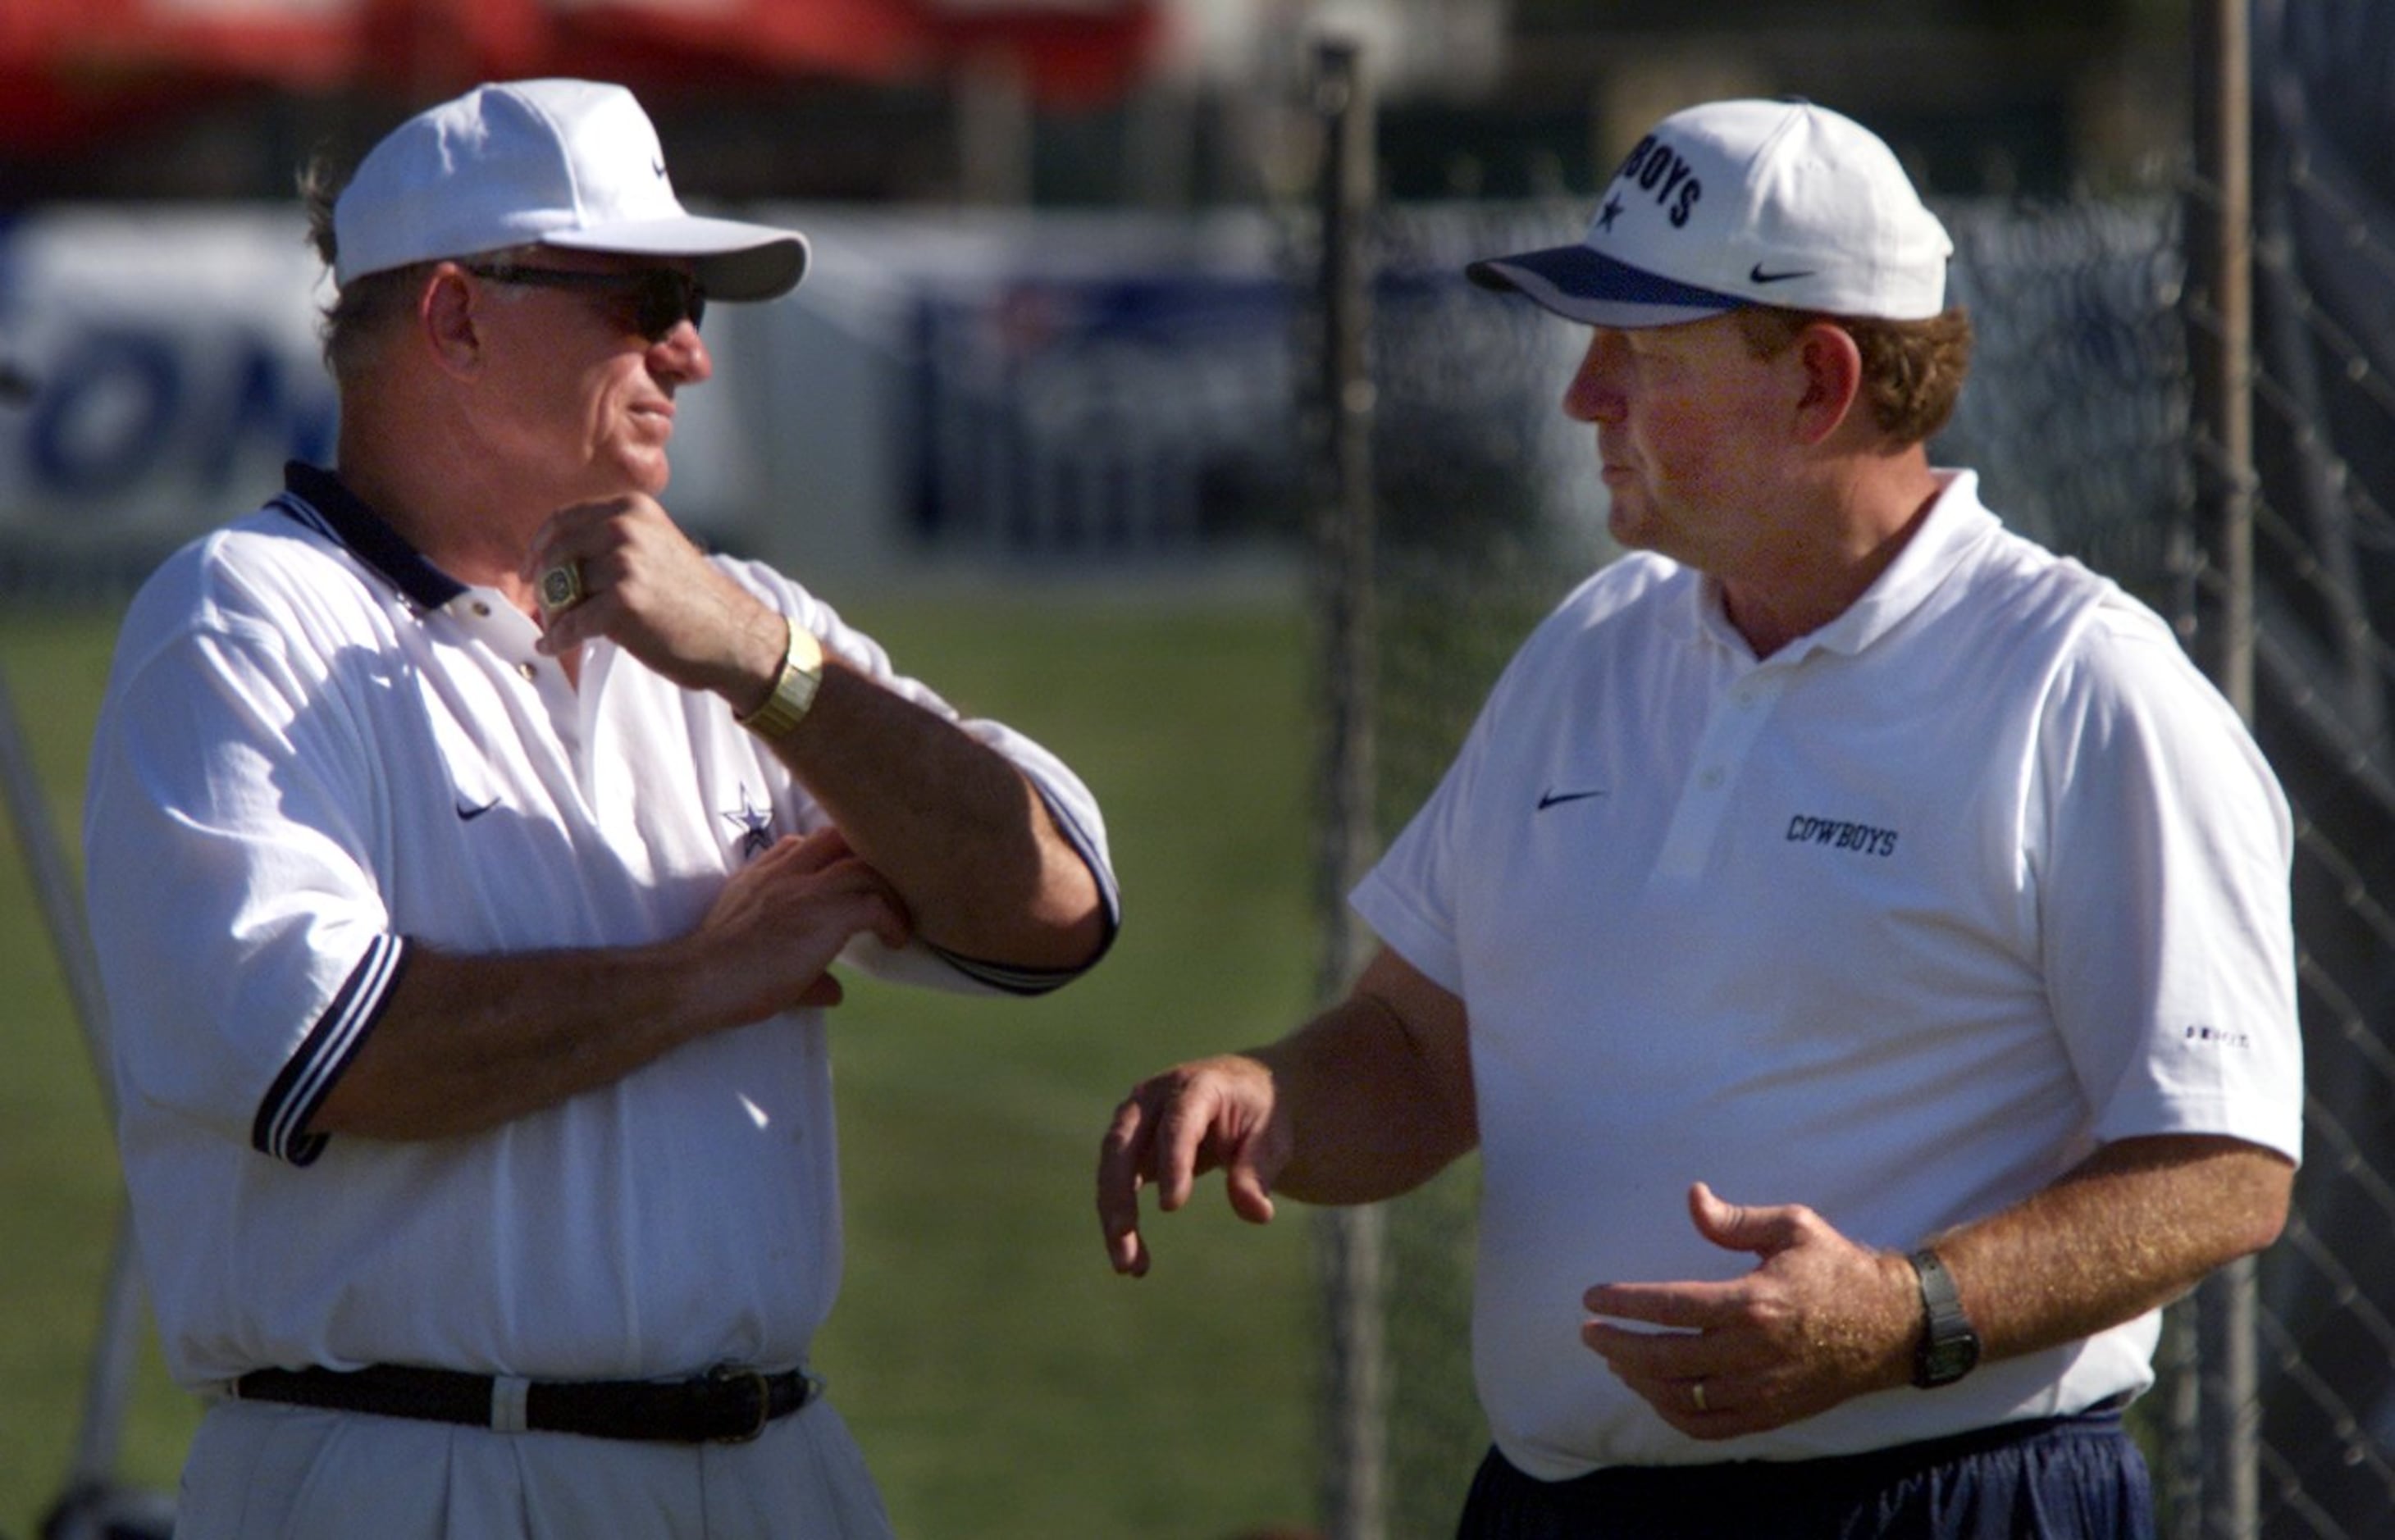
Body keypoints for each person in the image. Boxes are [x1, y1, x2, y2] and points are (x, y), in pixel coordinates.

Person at [1097, 97, 2301, 1537]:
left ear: (1820, 380)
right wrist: (1274, 1097)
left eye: (1642, 355)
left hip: (1945, 1503)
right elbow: (1425, 1051)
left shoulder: (2083, 685)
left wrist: (1907, 1312)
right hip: (1554, 1504)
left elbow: (2222, 1167)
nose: (1583, 398)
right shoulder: (1592, 646)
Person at [84, 78, 1117, 1539]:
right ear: (452, 316)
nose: (691, 354)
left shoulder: (742, 625)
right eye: (645, 296)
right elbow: (340, 1053)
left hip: (777, 1468)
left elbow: (1056, 907)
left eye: (693, 300)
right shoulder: (244, 617)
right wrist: (703, 976)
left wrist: (771, 669)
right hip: (416, 1475)